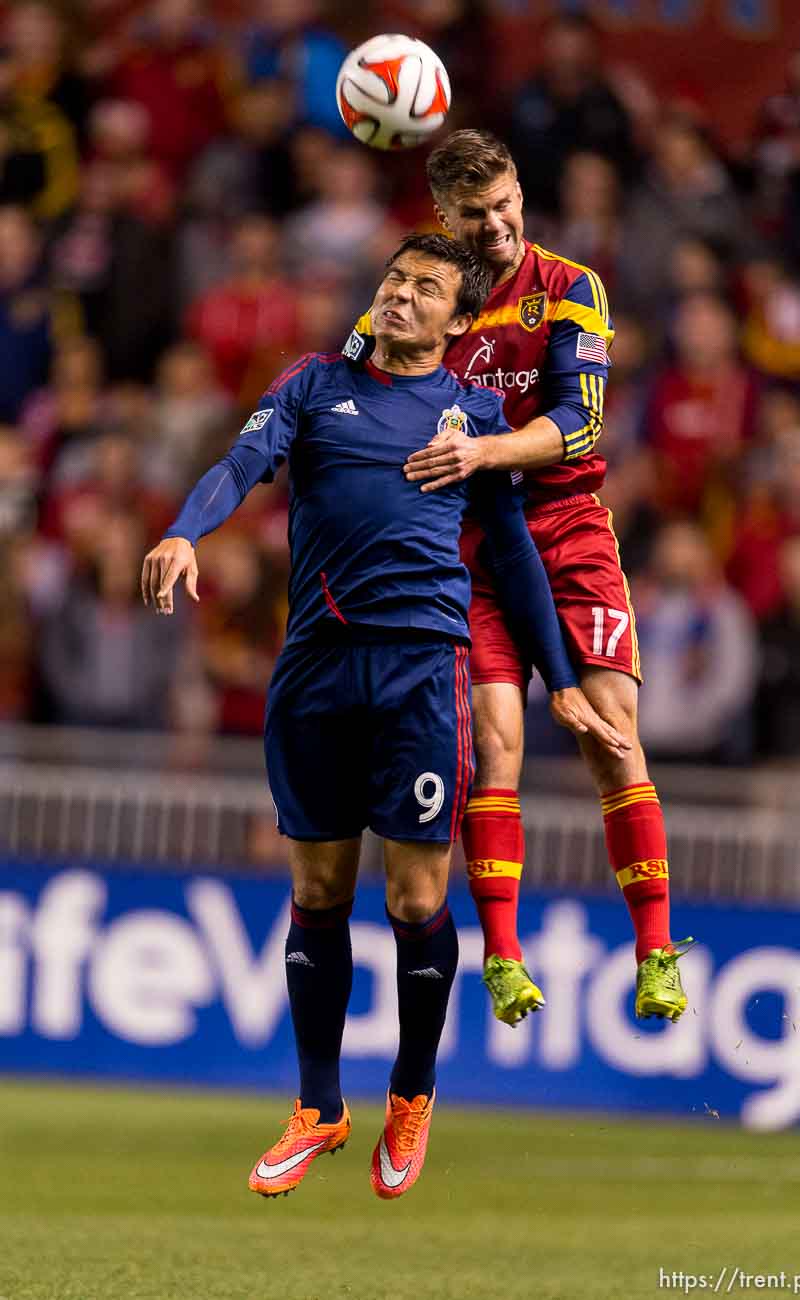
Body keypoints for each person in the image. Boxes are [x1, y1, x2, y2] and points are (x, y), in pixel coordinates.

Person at [142, 233, 627, 1201]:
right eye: (394, 279)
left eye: (425, 288)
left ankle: (412, 1089)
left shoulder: (475, 417)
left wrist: (561, 675)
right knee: (317, 887)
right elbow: (238, 463)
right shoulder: (314, 384)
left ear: (457, 320)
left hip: (418, 671)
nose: (400, 295)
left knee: (413, 899)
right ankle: (320, 1103)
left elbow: (518, 557)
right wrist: (184, 529)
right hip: (317, 665)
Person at [391, 130, 694, 1025]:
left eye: (505, 204)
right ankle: (505, 956)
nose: (496, 226)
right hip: (470, 553)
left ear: (520, 190)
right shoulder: (428, 303)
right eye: (475, 214)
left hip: (567, 533)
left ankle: (654, 951)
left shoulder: (570, 287)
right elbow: (366, 383)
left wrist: (483, 449)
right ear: (443, 214)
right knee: (496, 743)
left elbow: (583, 420)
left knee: (611, 733)